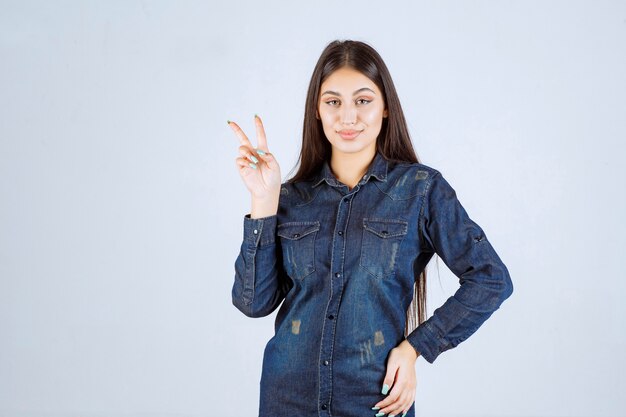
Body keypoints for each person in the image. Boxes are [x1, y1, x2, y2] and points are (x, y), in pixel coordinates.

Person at [228, 39, 513, 417]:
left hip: (375, 402)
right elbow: (253, 303)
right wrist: (263, 202)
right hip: (288, 399)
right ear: (317, 110)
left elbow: (491, 278)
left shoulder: (419, 190)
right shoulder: (291, 198)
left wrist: (415, 348)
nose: (348, 117)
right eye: (333, 102)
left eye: (362, 100)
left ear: (386, 108)